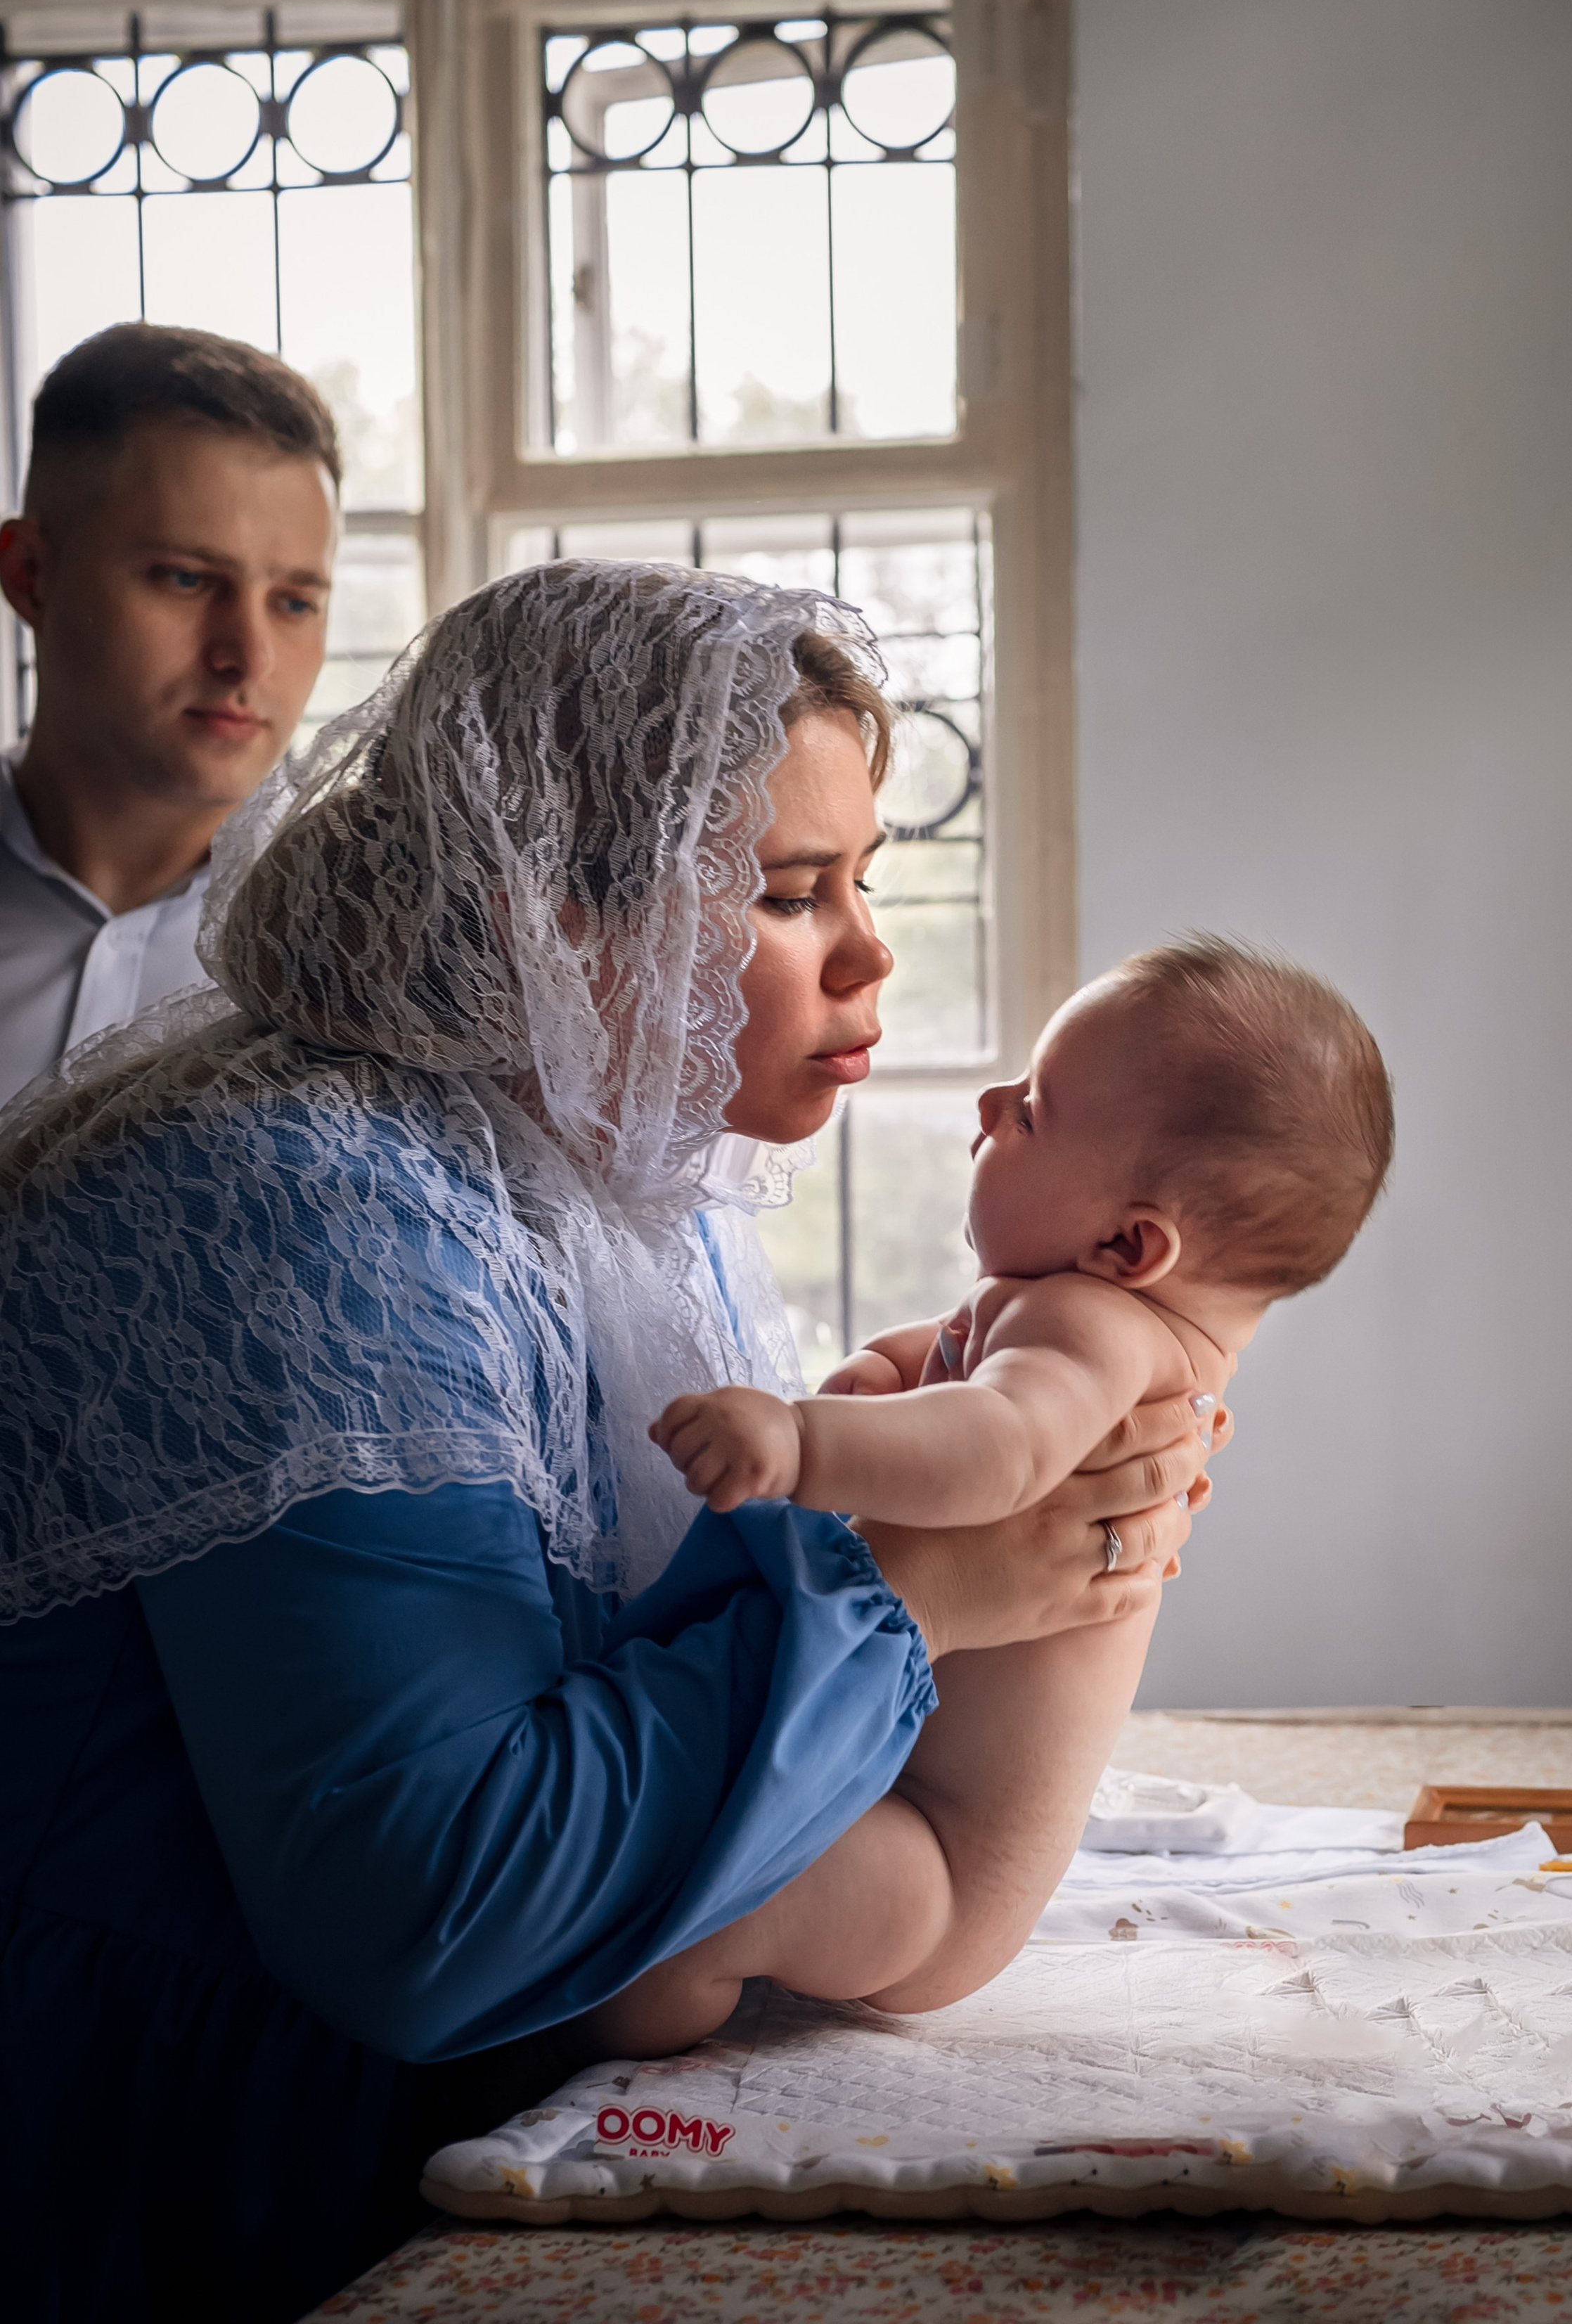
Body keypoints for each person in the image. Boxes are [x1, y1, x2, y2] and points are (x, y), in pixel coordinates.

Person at [0, 560, 1211, 2324]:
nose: (871, 951)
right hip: (166, 2174)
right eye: (795, 892)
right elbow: (427, 1916)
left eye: (863, 880)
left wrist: (901, 1475)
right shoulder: (304, 1200)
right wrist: (907, 1587)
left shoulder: (617, 1186)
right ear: (541, 907)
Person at [613, 939, 1392, 2053]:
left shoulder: (1096, 1328)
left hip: (932, 1858)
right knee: (689, 1897)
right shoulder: (1092, 1315)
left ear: (1131, 1243)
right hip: (887, 1801)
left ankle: (656, 2092)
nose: (991, 1103)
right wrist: (888, 1378)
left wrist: (801, 1439)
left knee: (668, 1943)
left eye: (1031, 1108)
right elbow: (951, 1373)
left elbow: (1003, 1446)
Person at [0, 322, 339, 1108]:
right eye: (187, 580)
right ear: (31, 575)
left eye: (294, 601)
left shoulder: (369, 950)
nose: (249, 657)